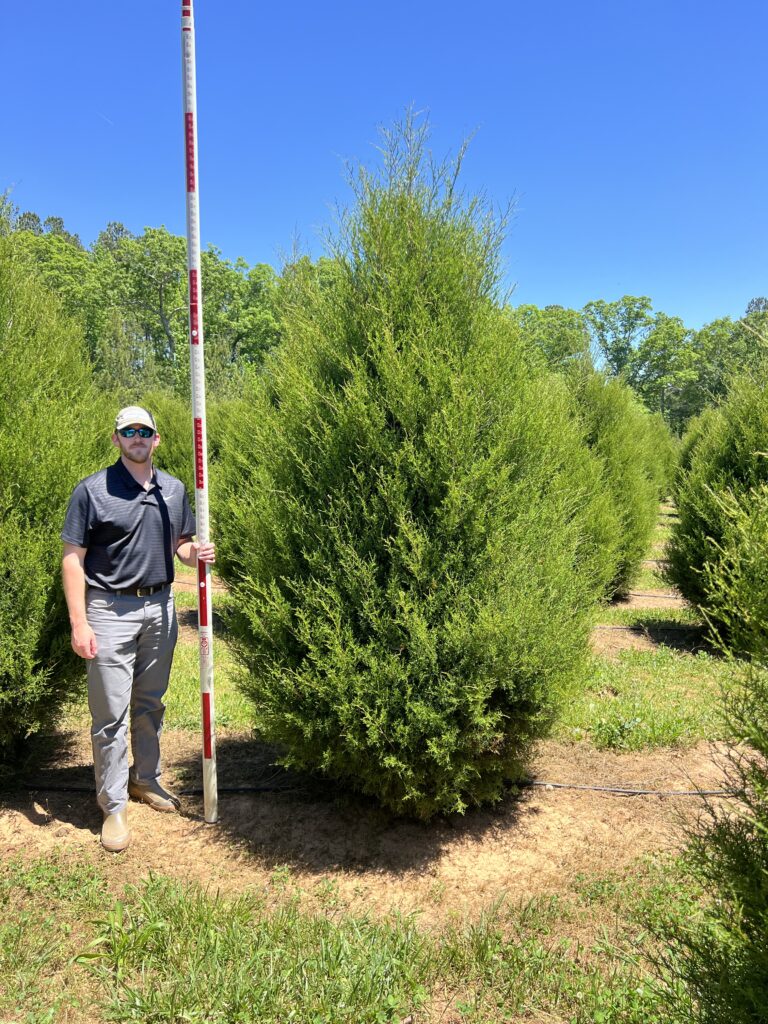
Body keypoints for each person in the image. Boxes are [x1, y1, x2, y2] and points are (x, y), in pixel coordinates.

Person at [61, 406, 215, 853]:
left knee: (150, 702)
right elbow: (73, 559)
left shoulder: (174, 490)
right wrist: (79, 623)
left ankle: (145, 779)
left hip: (160, 607)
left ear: (156, 439)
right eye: (128, 431)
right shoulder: (92, 491)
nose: (136, 437)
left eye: (144, 431)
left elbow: (179, 544)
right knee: (110, 714)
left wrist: (194, 554)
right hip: (109, 610)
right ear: (116, 439)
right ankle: (113, 806)